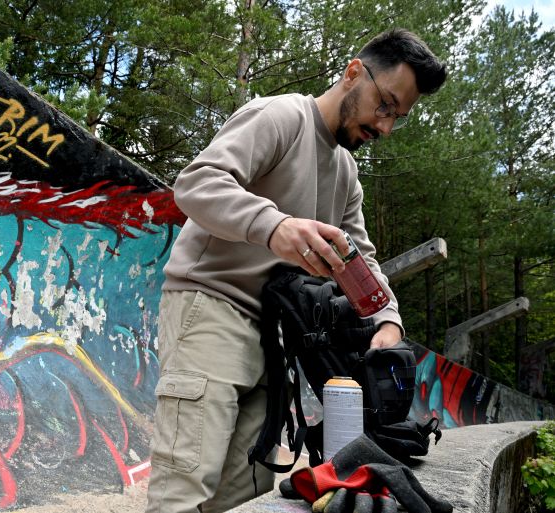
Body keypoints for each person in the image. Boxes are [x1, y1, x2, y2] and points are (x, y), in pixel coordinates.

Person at [144, 28, 447, 513]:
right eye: (385, 105)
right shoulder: (280, 115)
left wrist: (388, 317)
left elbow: (360, 257)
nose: (386, 126)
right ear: (353, 73)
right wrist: (274, 226)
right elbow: (196, 184)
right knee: (185, 486)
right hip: (211, 310)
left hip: (277, 340)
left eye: (398, 117)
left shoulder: (346, 175)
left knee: (247, 491)